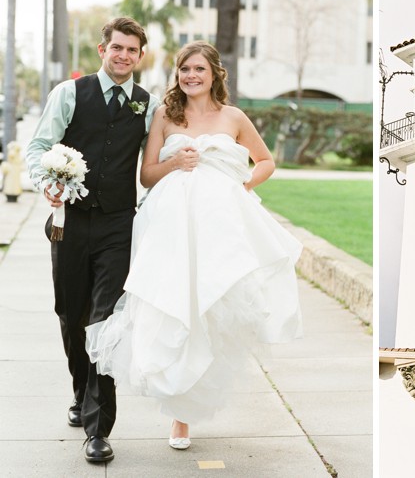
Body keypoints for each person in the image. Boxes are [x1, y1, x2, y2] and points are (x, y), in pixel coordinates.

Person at [85, 41, 303, 450]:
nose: (191, 76)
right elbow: (147, 175)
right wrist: (175, 163)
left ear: (214, 73)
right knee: (175, 309)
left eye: (199, 69)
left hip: (220, 228)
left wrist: (242, 183)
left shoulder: (233, 117)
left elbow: (266, 161)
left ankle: (189, 408)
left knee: (209, 312)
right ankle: (178, 417)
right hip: (170, 225)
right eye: (185, 69)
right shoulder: (166, 116)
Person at [25, 17, 160, 463]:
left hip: (119, 225)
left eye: (132, 50)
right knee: (71, 313)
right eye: (117, 48)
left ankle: (98, 427)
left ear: (141, 56)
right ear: (102, 50)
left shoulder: (148, 105)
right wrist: (47, 181)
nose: (124, 56)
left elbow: (158, 157)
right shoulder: (69, 93)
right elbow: (39, 147)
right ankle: (81, 391)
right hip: (69, 223)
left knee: (105, 319)